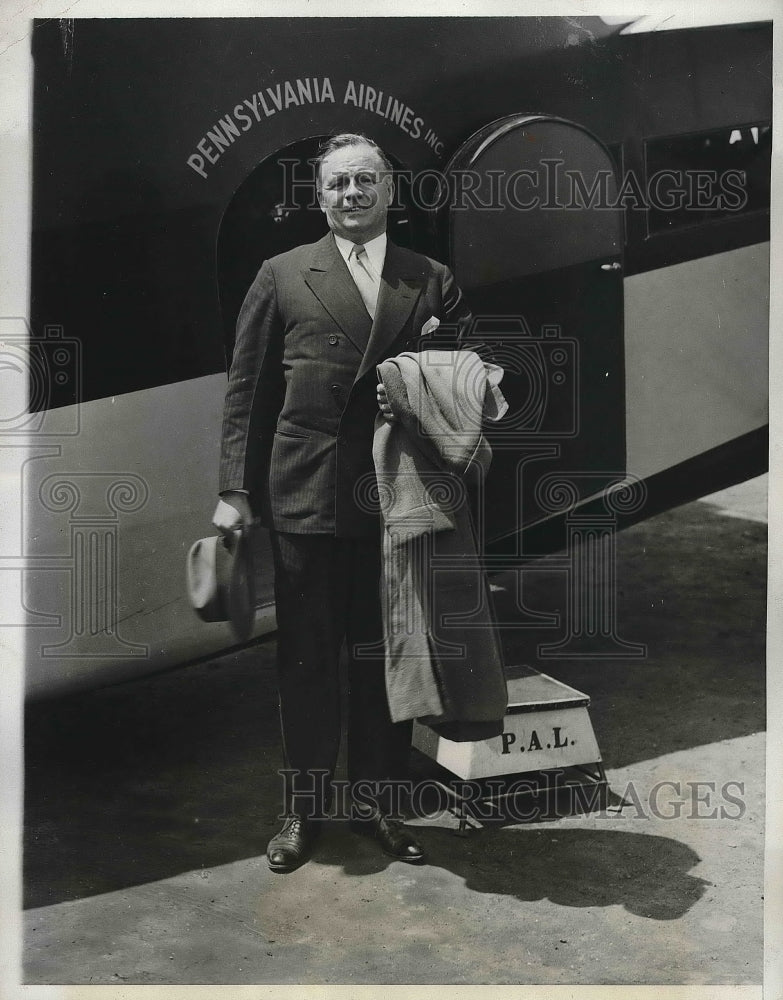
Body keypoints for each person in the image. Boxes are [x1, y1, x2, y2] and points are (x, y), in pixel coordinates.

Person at [213, 133, 472, 873]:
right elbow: (247, 394)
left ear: (388, 192)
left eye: (365, 182)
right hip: (305, 495)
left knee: (381, 657)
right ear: (318, 197)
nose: (352, 195)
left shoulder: (430, 278)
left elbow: (466, 386)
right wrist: (234, 489)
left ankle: (380, 804)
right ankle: (302, 808)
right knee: (305, 659)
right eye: (337, 184)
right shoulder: (282, 275)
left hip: (394, 499)